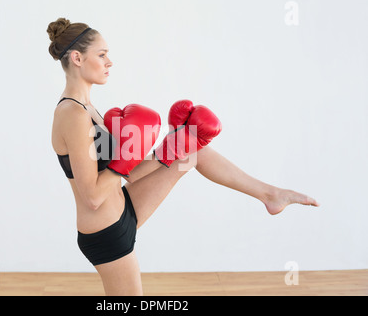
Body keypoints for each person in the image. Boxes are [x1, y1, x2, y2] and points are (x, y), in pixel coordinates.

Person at [48, 18, 320, 296]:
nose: (110, 62)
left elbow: (124, 174)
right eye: (102, 55)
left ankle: (270, 195)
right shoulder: (72, 115)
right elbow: (93, 196)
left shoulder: (88, 107)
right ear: (78, 58)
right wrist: (128, 156)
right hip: (105, 232)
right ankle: (269, 195)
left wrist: (166, 149)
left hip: (124, 208)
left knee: (190, 147)